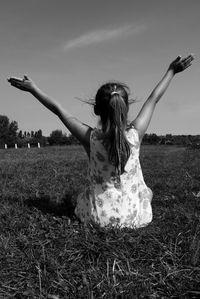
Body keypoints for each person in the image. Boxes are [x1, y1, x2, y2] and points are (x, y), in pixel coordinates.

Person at [8, 54, 194, 228]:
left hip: (98, 218)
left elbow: (58, 109)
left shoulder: (90, 137)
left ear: (96, 110)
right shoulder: (135, 134)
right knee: (147, 192)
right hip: (133, 218)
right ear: (125, 108)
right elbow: (153, 100)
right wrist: (171, 71)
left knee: (83, 195)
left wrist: (33, 89)